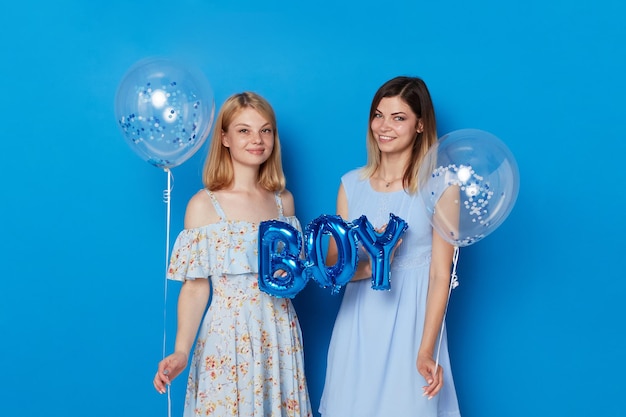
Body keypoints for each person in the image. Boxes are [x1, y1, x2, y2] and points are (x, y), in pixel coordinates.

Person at [153, 92, 312, 417]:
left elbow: (295, 272)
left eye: (265, 130)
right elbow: (196, 287)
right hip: (229, 335)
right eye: (244, 130)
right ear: (224, 137)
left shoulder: (284, 202)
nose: (257, 139)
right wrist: (181, 351)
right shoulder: (204, 205)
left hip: (280, 331)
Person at [319, 76, 461, 416]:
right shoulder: (351, 185)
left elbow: (442, 275)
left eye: (399, 118)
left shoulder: (440, 187)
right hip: (357, 327)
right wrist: (372, 263)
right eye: (379, 115)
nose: (385, 126)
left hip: (412, 327)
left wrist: (427, 350)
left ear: (420, 125)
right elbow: (333, 268)